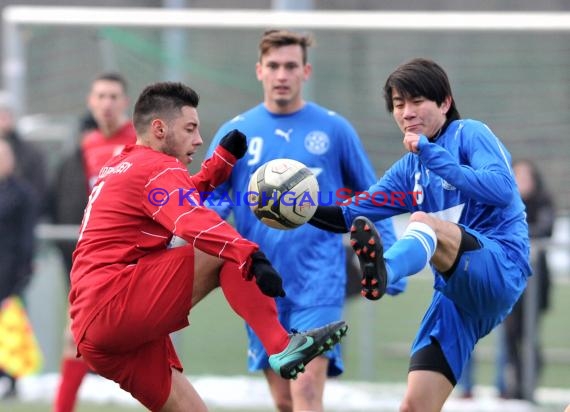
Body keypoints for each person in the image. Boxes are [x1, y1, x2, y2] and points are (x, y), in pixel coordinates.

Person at [67, 81, 347, 411]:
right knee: (224, 251)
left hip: (97, 330)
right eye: (190, 129)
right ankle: (281, 346)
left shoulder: (126, 163)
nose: (199, 139)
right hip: (114, 305)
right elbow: (189, 218)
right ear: (159, 129)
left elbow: (177, 198)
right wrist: (249, 254)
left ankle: (281, 347)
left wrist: (221, 163)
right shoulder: (157, 167)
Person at [308, 57, 531, 411]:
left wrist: (431, 154)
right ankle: (384, 271)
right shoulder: (408, 170)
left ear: (444, 102)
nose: (407, 112)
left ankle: (385, 271)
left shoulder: (470, 133)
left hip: (502, 265)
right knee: (414, 406)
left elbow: (502, 190)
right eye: (399, 105)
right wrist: (300, 211)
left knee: (424, 221)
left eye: (417, 102)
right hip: (457, 298)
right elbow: (352, 213)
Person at [205, 29, 404, 412]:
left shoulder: (334, 129)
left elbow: (372, 196)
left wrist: (390, 256)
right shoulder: (237, 133)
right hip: (260, 283)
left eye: (291, 66)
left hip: (320, 280)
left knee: (307, 393)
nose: (282, 75)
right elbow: (210, 202)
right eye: (274, 66)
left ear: (306, 71)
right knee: (284, 400)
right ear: (259, 71)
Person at [53, 73, 137, 412]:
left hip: (131, 258)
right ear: (90, 101)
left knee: (145, 343)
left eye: (114, 96)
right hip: (92, 260)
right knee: (75, 338)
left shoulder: (137, 142)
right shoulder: (85, 147)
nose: (107, 103)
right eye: (100, 96)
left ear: (125, 102)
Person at [501, 158, 555, 400]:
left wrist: (517, 232)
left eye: (525, 176)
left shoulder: (543, 201)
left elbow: (545, 229)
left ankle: (528, 386)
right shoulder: (506, 201)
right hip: (511, 279)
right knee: (510, 335)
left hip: (536, 281)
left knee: (529, 335)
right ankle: (515, 386)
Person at [0, 139, 38, 399]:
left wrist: (23, 271)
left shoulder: (23, 194)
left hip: (10, 269)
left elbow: (27, 237)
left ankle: (11, 378)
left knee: (10, 325)